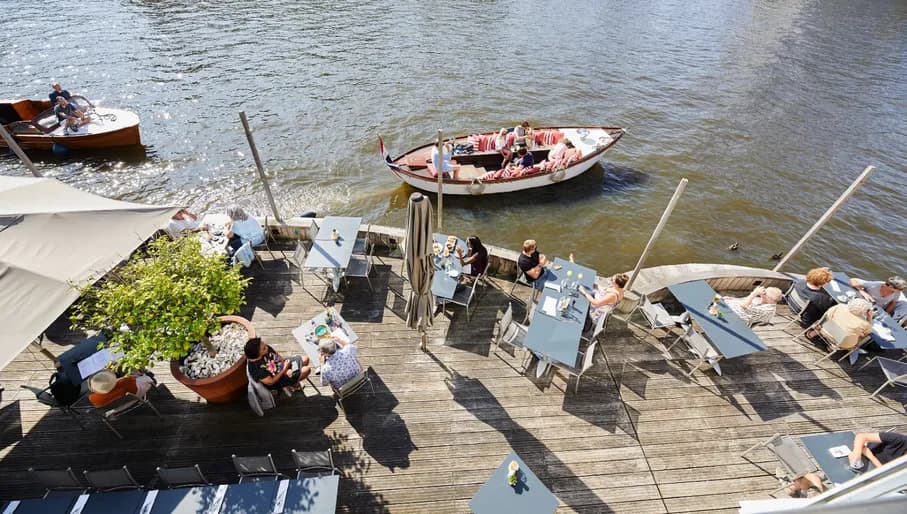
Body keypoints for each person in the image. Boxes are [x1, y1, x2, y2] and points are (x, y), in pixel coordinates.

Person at [790, 430, 907, 496]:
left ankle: (806, 484)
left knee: (851, 488)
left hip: (875, 470)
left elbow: (889, 473)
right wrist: (857, 451)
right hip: (861, 458)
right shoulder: (900, 439)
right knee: (834, 470)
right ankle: (806, 484)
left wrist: (872, 458)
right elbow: (862, 436)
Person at [244, 337, 311, 395]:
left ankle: (294, 379)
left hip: (282, 367)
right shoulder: (256, 369)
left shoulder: (264, 347)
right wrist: (284, 369)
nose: (267, 348)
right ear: (257, 355)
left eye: (264, 344)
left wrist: (284, 363)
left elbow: (277, 355)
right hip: (277, 380)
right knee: (306, 370)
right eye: (264, 348)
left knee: (306, 359)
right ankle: (293, 385)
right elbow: (271, 382)